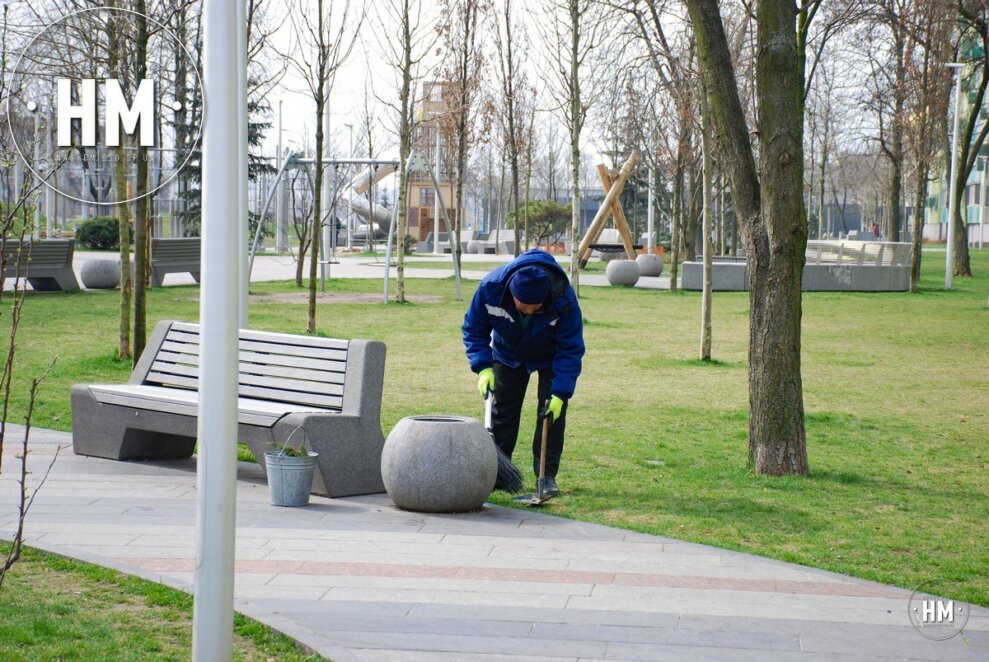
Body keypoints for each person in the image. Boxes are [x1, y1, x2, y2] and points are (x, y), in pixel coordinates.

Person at [462, 248, 585, 496]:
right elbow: (474, 328)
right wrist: (483, 366)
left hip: (550, 358)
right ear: (511, 293)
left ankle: (546, 476)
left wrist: (560, 392)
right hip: (508, 355)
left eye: (535, 306)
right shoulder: (491, 288)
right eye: (522, 305)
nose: (528, 310)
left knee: (550, 415)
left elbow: (570, 348)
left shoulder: (563, 299)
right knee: (503, 413)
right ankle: (498, 472)